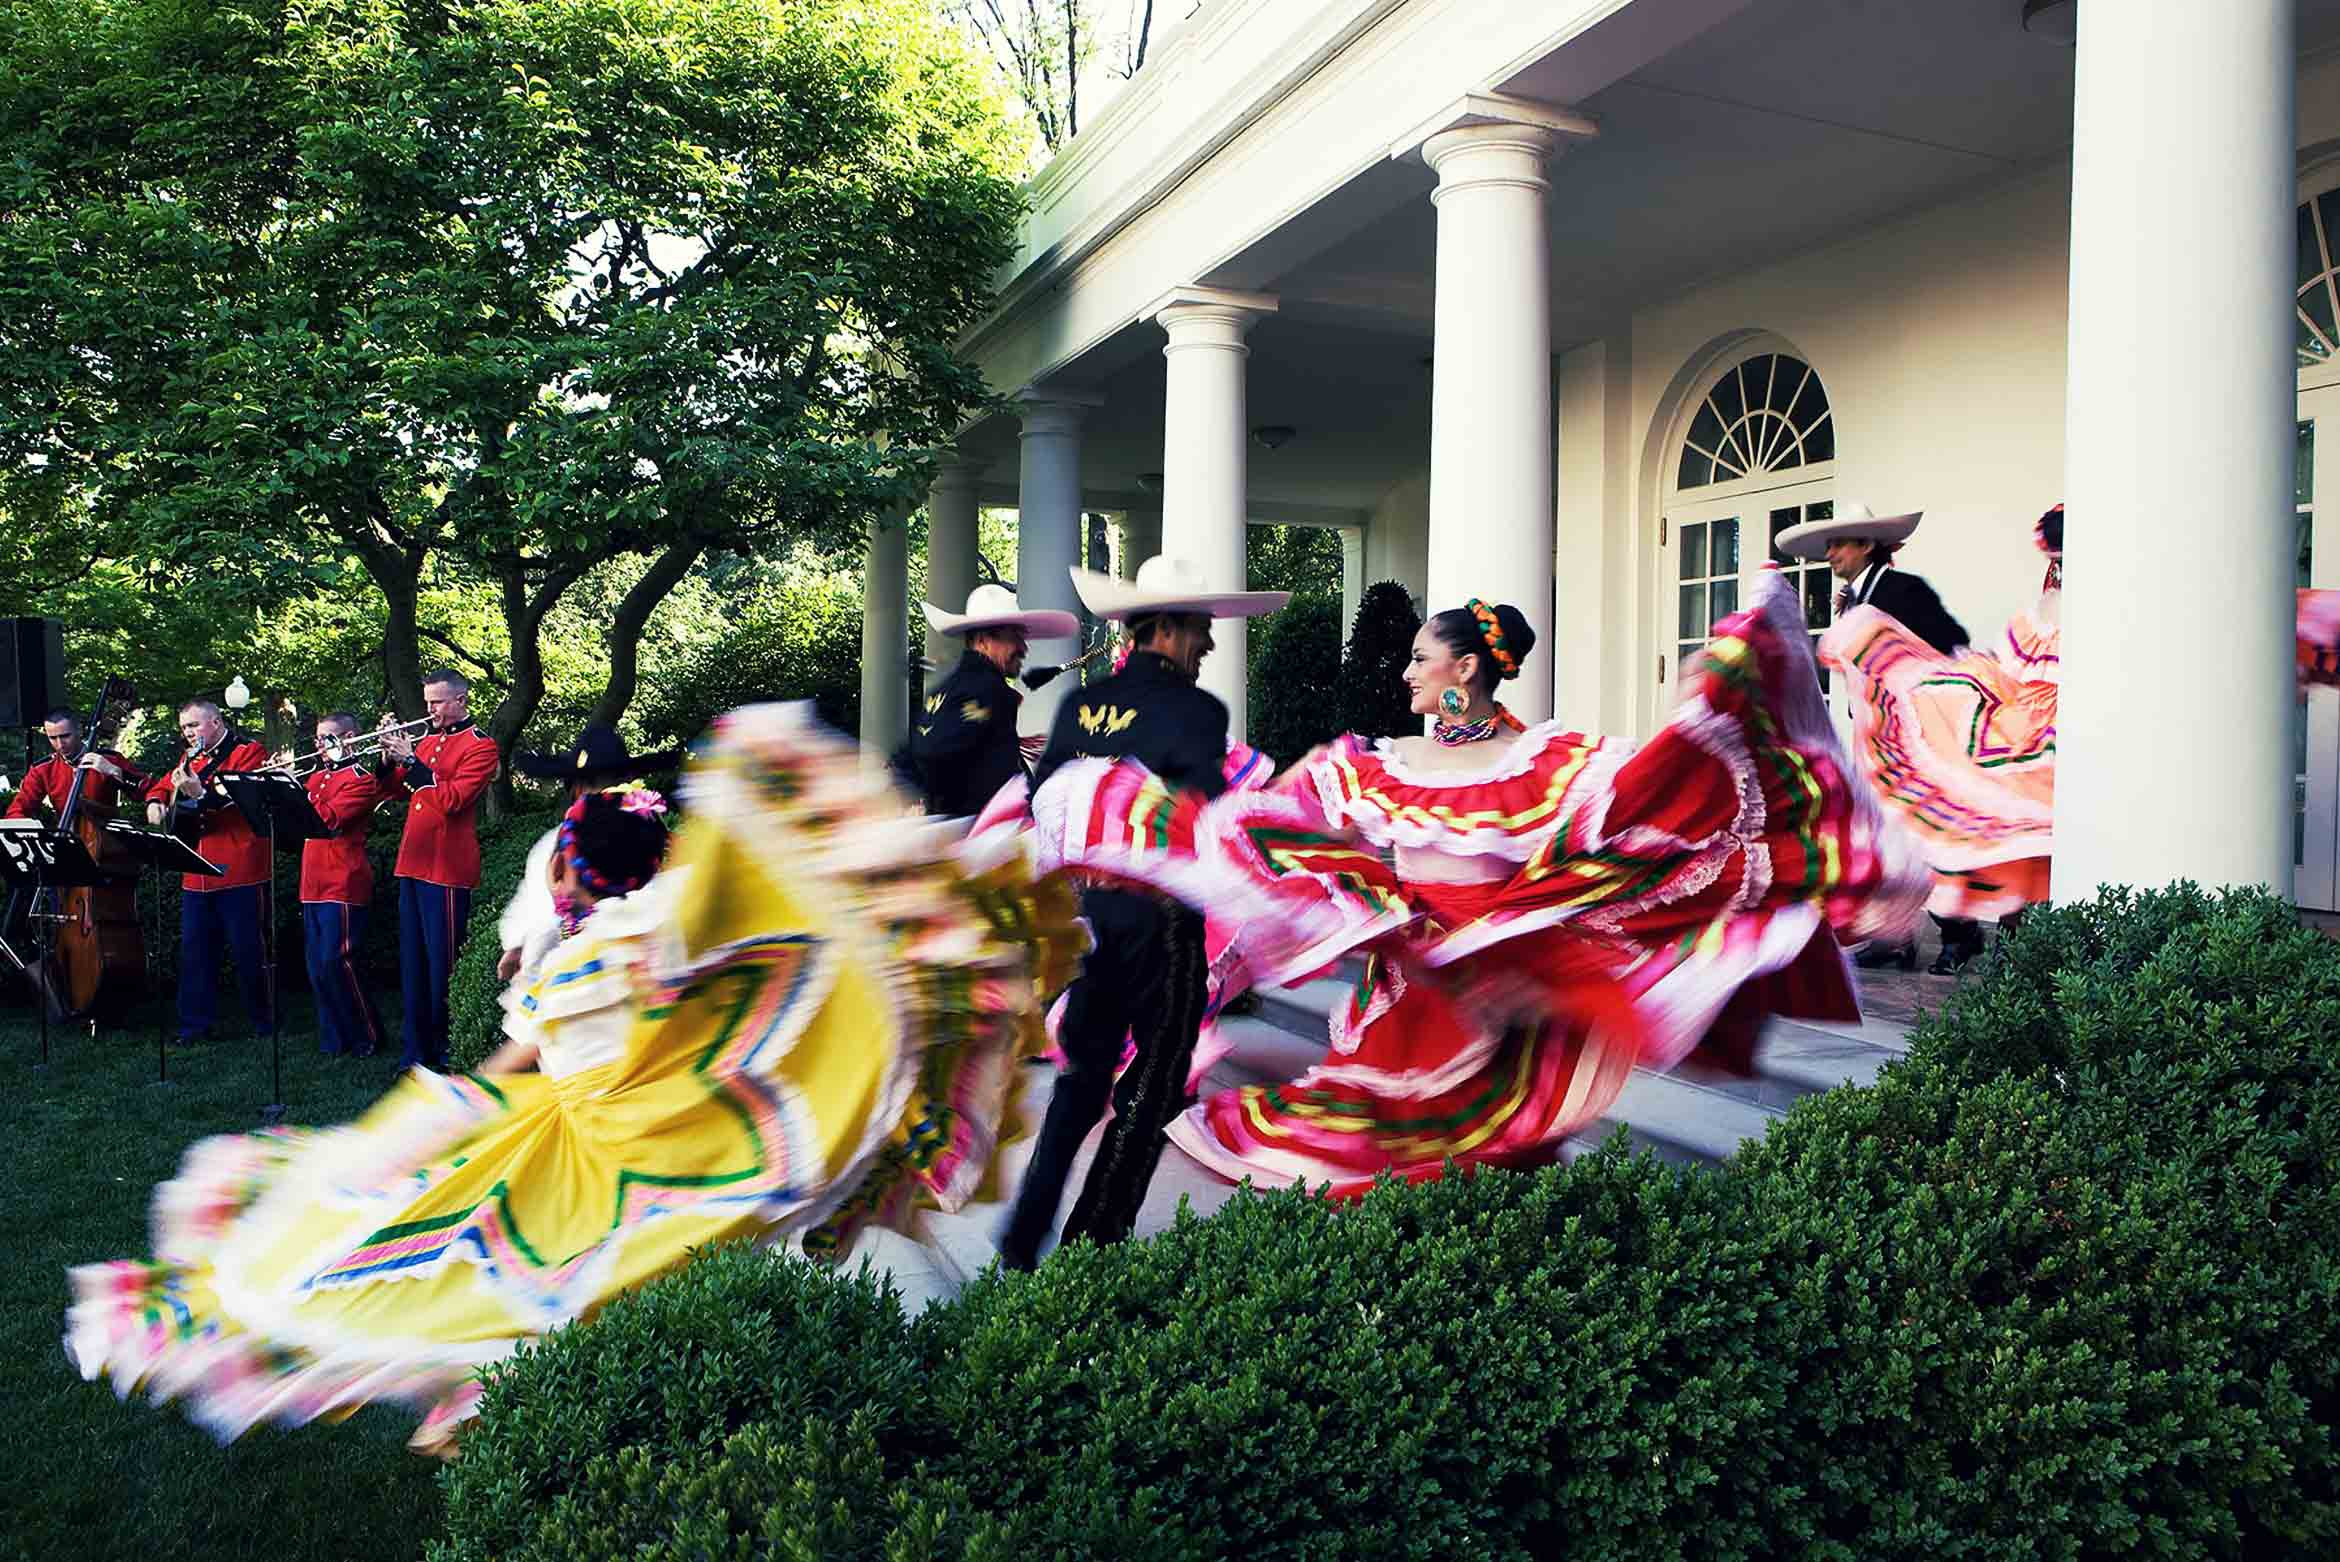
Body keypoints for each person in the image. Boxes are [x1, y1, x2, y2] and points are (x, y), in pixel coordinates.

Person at [65, 704, 1085, 1455]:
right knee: (684, 1217)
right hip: (666, 1124)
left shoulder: (589, 963)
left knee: (476, 1246)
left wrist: (456, 1096)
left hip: (584, 1132)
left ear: (576, 876)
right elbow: (734, 918)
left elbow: (517, 1054)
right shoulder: (665, 931)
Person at [1030, 571, 1923, 1198]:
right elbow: (1273, 818)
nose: (1406, 670)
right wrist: (1153, 823)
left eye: (1422, 657)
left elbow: (1649, 797)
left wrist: (1721, 691)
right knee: (1382, 1143)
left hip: (1502, 970)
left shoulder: (1550, 761)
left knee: (1491, 1148)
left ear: (1465, 669)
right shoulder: (1375, 763)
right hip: (1413, 977)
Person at [995, 554, 1288, 1271]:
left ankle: (1023, 1238)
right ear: (1171, 629)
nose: (1210, 644)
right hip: (1163, 927)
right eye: (1202, 630)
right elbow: (1195, 820)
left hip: (1089, 920)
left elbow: (1043, 805)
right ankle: (1091, 1251)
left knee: (1081, 1079)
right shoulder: (1195, 711)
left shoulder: (1076, 705)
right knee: (1151, 1090)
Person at [1775, 501, 1983, 973]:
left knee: (1925, 832)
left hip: (1913, 735)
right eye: (1828, 546)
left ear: (1866, 546)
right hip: (1872, 734)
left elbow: (1952, 642)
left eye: (1838, 544)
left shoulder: (1904, 590)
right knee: (1881, 835)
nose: (1830, 555)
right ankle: (1896, 937)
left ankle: (1960, 933)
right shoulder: (1852, 600)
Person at [375, 670, 499, 1070]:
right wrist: (386, 757)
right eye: (427, 702)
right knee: (412, 962)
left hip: (446, 867)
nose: (429, 710)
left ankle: (445, 1049)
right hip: (413, 861)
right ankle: (416, 1050)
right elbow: (393, 791)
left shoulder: (481, 747)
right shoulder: (427, 741)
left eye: (438, 702)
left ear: (461, 700)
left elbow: (453, 801)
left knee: (442, 963)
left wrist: (411, 760)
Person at [496, 725, 680, 980]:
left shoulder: (654, 839)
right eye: (601, 784)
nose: (608, 793)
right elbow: (534, 911)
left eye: (614, 783)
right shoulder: (553, 846)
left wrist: (529, 946)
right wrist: (520, 944)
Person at [144, 700, 273, 1045]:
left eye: (194, 725)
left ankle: (264, 1020)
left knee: (249, 950)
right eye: (184, 727)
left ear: (216, 721)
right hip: (196, 869)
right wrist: (155, 801)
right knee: (195, 951)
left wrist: (198, 792)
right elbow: (163, 784)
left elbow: (238, 798)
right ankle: (194, 1026)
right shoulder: (190, 757)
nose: (189, 733)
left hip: (239, 865)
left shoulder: (249, 751)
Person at [903, 584, 1081, 818]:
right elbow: (938, 752)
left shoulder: (944, 690)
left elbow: (928, 747)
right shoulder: (988, 690)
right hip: (980, 831)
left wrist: (1000, 742)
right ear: (983, 640)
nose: (1023, 648)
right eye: (1015, 638)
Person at [292, 713, 388, 1058]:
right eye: (317, 739)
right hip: (313, 881)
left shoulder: (361, 779)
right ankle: (335, 1038)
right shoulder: (315, 778)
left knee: (340, 962)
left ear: (349, 738)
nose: (320, 745)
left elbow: (327, 820)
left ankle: (368, 1035)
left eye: (327, 738)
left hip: (343, 880)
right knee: (317, 966)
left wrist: (293, 792)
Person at [5, 708, 146, 821]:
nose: (60, 745)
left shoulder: (109, 759)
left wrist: (116, 771)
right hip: (67, 840)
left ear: (79, 730)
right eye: (53, 738)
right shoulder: (43, 769)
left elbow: (147, 791)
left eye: (65, 736)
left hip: (109, 843)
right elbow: (18, 810)